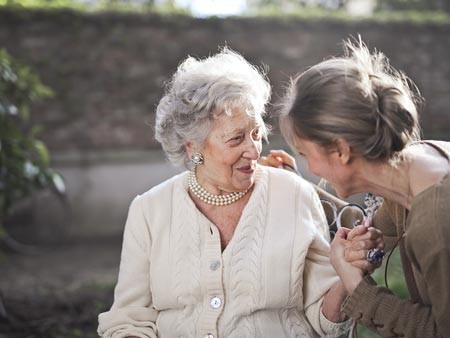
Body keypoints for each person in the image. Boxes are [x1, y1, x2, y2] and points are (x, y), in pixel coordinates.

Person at [96, 48, 384, 338]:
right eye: (236, 139)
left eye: (256, 134)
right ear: (192, 146)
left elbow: (325, 321)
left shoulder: (293, 195)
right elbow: (129, 320)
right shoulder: (149, 210)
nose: (253, 149)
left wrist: (347, 273)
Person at [275, 37, 450, 337]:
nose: (310, 168)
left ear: (341, 151)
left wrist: (356, 286)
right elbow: (374, 227)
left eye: (306, 154)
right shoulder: (421, 161)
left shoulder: (435, 219)